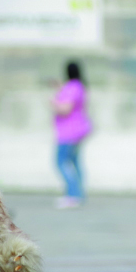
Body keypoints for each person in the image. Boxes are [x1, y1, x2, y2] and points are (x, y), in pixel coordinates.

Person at [52, 60, 93, 208]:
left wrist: (53, 102)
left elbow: (65, 108)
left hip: (68, 132)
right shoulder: (80, 86)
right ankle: (79, 193)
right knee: (75, 162)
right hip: (78, 131)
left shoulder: (72, 88)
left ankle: (73, 195)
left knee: (61, 161)